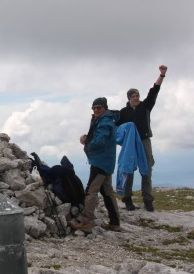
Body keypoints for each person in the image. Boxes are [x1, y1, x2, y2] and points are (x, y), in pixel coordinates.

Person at [116, 65, 168, 212]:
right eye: (133, 96)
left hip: (144, 141)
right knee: (129, 170)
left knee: (147, 170)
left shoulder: (145, 106)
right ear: (129, 98)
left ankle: (148, 200)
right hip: (130, 144)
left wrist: (162, 75)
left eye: (137, 95)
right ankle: (127, 199)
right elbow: (115, 128)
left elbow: (154, 90)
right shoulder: (123, 113)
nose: (136, 98)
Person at [70, 97, 121, 232]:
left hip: (101, 162)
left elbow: (100, 141)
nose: (96, 110)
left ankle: (87, 221)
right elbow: (98, 137)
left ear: (105, 108)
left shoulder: (105, 122)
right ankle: (115, 222)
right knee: (107, 191)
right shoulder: (106, 120)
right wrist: (88, 137)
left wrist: (86, 142)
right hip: (106, 161)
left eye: (98, 107)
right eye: (94, 108)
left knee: (91, 190)